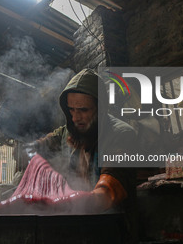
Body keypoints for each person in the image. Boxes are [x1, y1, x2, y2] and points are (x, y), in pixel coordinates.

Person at [19, 68, 140, 242]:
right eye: (72, 110)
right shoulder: (67, 132)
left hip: (112, 230)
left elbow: (109, 189)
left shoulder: (121, 135)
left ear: (101, 109)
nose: (76, 118)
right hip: (75, 228)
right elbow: (33, 148)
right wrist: (35, 162)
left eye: (83, 110)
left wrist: (66, 201)